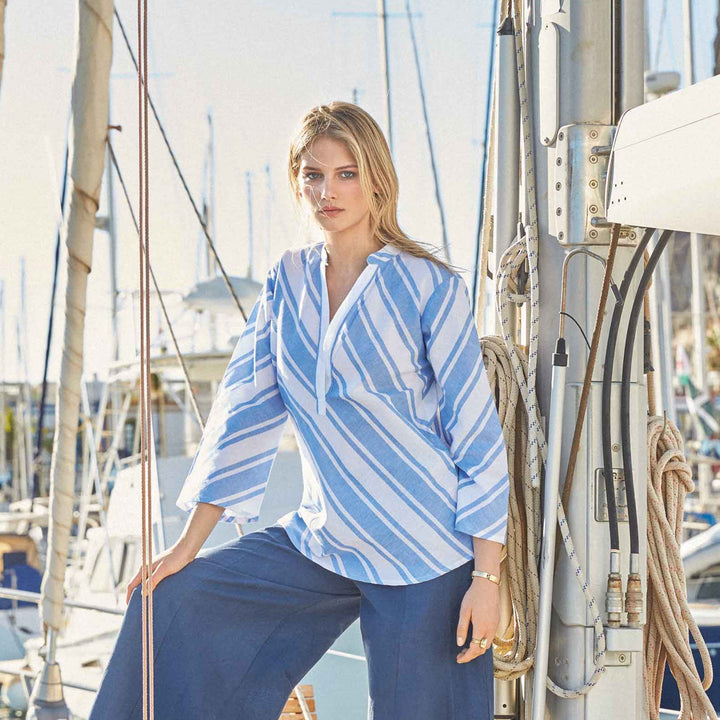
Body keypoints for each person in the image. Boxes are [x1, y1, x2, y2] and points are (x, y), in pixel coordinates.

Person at [88, 101, 510, 720]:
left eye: (346, 174)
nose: (328, 192)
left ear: (376, 179)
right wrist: (185, 546)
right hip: (323, 539)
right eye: (314, 175)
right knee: (168, 607)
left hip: (423, 550)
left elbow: (476, 434)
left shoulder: (429, 286)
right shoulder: (286, 281)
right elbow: (243, 412)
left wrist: (487, 578)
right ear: (297, 182)